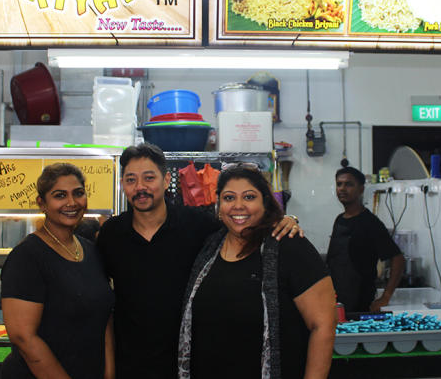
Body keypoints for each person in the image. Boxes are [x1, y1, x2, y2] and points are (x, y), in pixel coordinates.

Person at [96, 143, 301, 379]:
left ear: (165, 180)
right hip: (130, 365)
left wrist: (284, 220)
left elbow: (244, 225)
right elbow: (102, 303)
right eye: (131, 180)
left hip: (192, 364)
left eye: (149, 178)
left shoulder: (197, 225)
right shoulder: (112, 234)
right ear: (122, 184)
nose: (140, 187)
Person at [177, 165, 336, 379]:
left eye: (249, 197)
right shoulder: (209, 247)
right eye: (229, 198)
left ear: (265, 203)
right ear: (219, 205)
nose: (238, 206)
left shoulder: (288, 246)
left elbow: (323, 325)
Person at [0, 163, 115, 379]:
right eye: (60, 195)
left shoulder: (90, 251)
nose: (71, 202)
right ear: (42, 203)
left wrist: (109, 374)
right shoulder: (27, 257)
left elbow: (104, 318)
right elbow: (24, 338)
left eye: (78, 193)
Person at [326, 166, 405, 313]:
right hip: (337, 301)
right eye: (339, 184)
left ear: (361, 189)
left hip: (361, 303)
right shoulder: (339, 220)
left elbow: (398, 259)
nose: (342, 188)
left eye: (349, 184)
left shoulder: (370, 223)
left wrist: (385, 297)